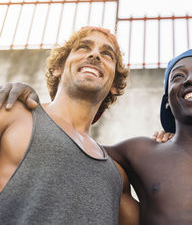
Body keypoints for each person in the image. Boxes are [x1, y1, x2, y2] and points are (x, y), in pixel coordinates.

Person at [2, 49, 192, 224]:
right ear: (167, 101)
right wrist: (26, 97)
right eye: (178, 77)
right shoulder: (139, 153)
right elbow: (70, 143)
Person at [0, 27, 138, 224]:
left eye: (107, 54)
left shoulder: (117, 176)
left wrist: (173, 137)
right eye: (83, 47)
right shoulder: (13, 114)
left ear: (115, 84)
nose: (95, 54)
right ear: (58, 67)